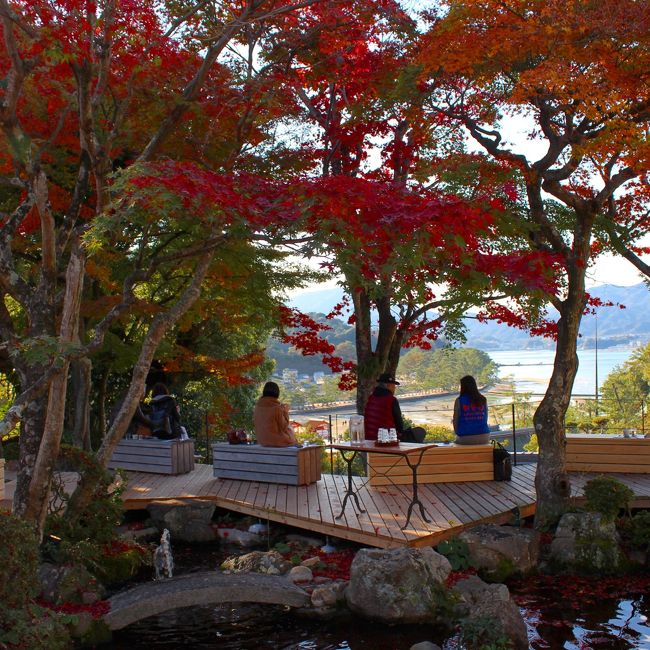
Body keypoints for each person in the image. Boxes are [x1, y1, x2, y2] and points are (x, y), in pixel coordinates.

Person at [363, 373, 426, 442]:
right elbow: (399, 426)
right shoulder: (391, 400)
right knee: (420, 432)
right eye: (393, 385)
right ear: (388, 385)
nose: (394, 388)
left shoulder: (371, 398)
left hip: (368, 439)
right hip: (387, 440)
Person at [253, 381, 300, 447]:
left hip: (262, 441)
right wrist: (285, 412)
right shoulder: (277, 408)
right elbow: (284, 426)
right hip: (277, 442)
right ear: (277, 393)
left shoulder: (257, 407)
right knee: (290, 429)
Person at [452, 375, 490, 445]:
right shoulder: (483, 399)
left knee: (455, 444)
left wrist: (458, 432)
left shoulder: (459, 400)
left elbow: (455, 419)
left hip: (465, 437)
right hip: (484, 435)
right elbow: (486, 418)